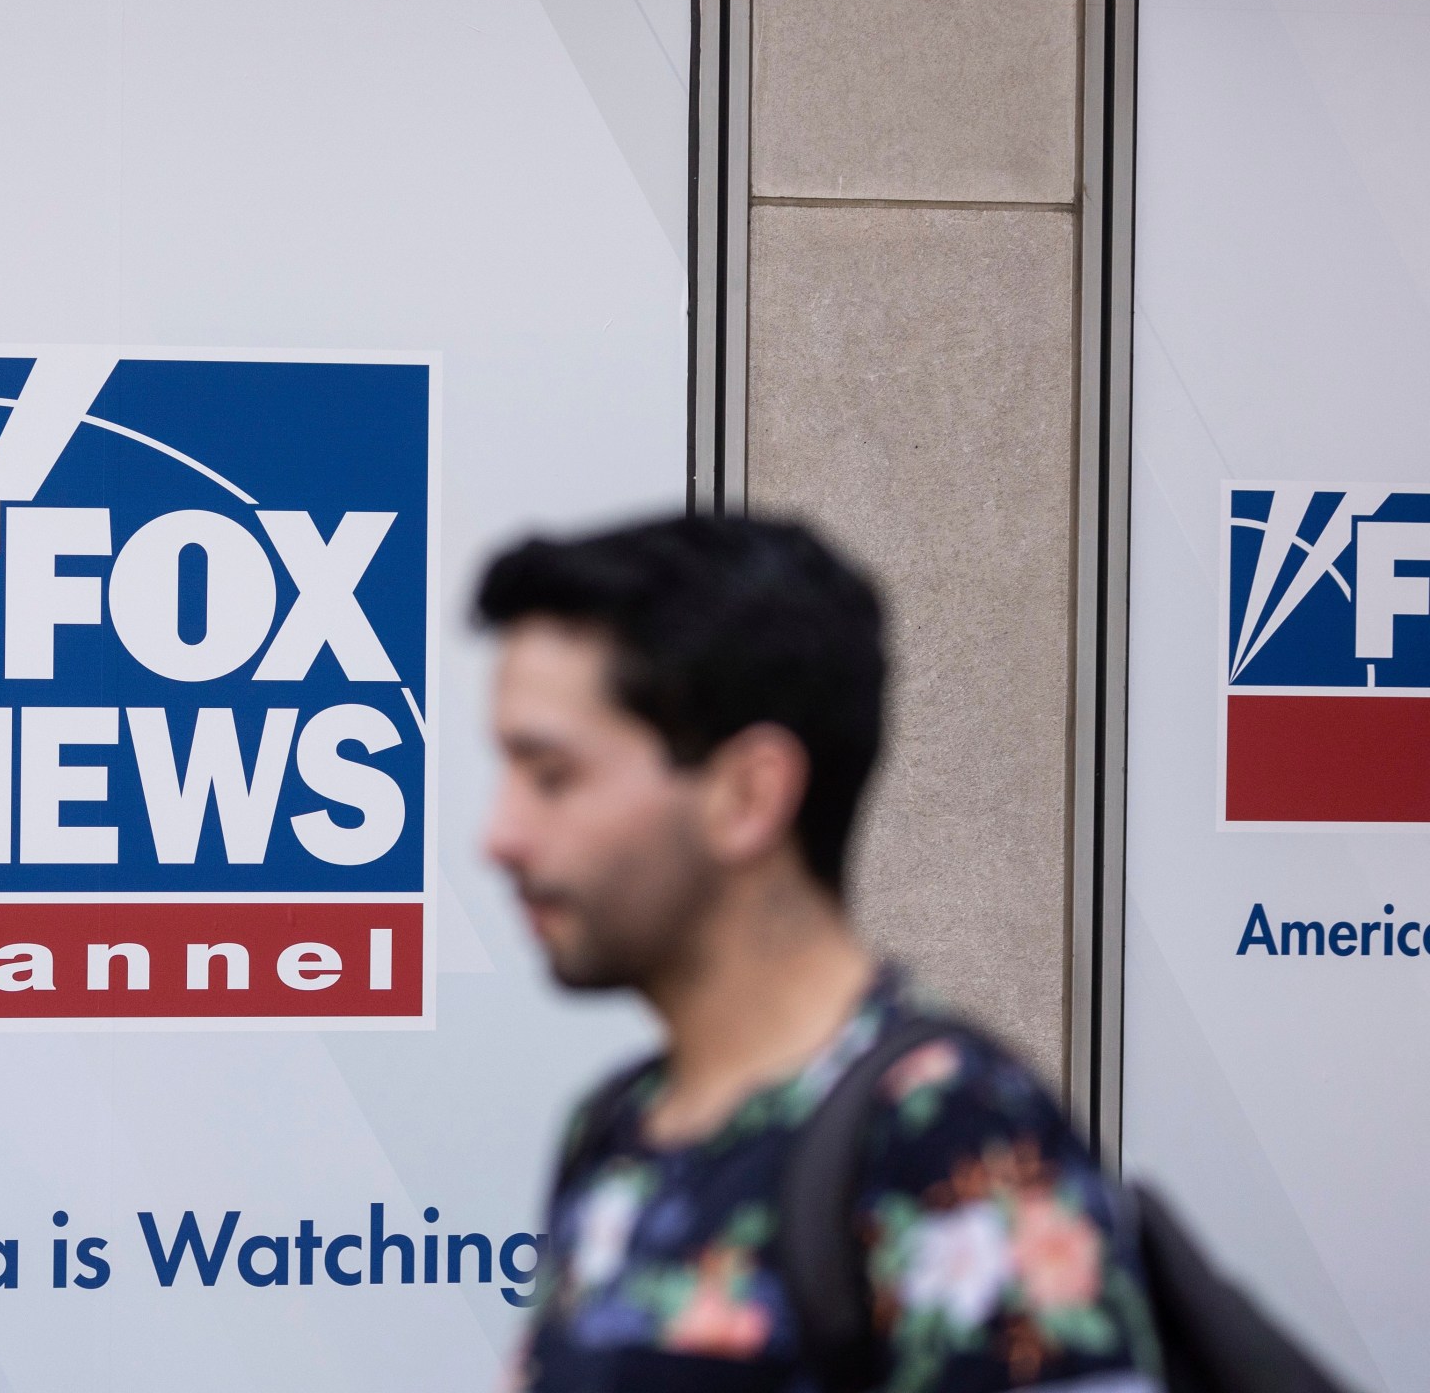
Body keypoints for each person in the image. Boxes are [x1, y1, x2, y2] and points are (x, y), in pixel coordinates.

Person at [478, 514, 1158, 1393]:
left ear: (748, 795)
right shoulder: (614, 1127)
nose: (500, 836)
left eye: (552, 776)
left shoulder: (951, 1134)